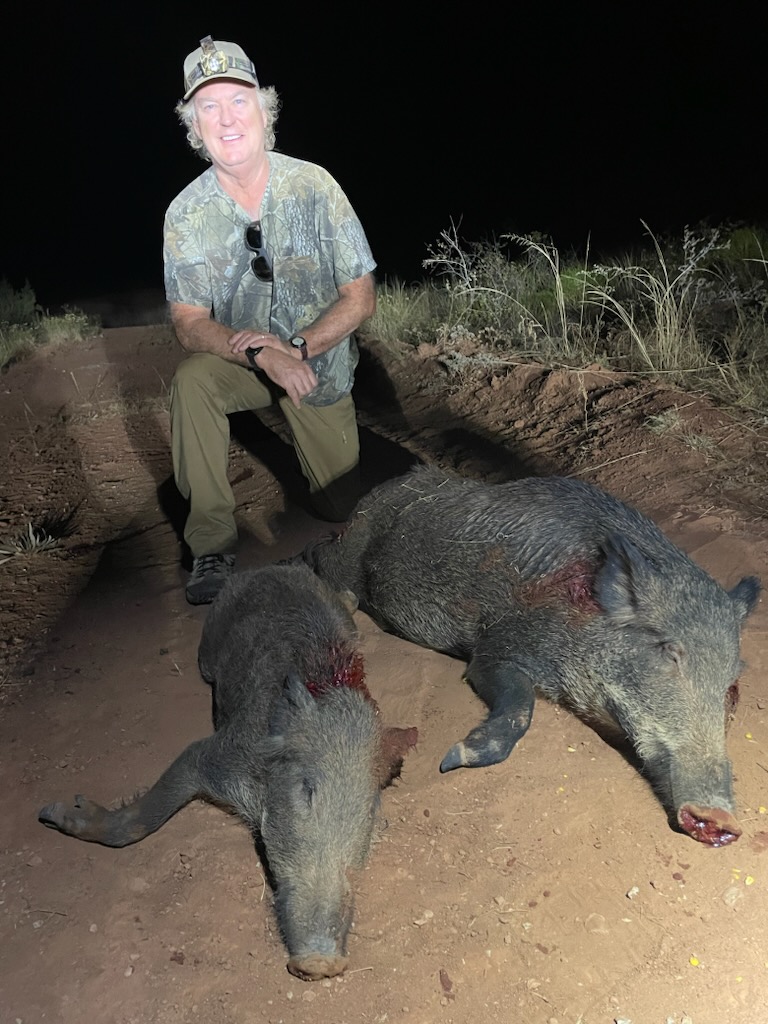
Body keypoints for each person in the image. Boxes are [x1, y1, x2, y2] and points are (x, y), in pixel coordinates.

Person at [164, 36, 377, 605]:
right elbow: (188, 322)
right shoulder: (185, 214)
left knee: (339, 506)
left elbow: (360, 297)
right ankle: (210, 540)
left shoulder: (315, 185)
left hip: (316, 366)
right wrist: (261, 353)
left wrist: (297, 350)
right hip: (245, 360)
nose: (226, 118)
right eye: (209, 107)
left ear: (265, 109)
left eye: (239, 100)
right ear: (194, 125)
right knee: (192, 382)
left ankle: (320, 453)